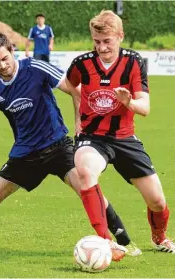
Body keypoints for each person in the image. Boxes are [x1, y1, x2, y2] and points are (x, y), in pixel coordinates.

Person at [0, 32, 140, 261]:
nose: (3, 65)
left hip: (58, 146)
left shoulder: (36, 67)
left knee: (88, 188)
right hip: (24, 155)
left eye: (5, 58)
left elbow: (75, 89)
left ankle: (125, 242)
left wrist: (79, 122)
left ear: (12, 50)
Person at [65, 10, 175, 254]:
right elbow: (70, 86)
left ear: (120, 36)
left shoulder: (133, 62)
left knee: (157, 201)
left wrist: (129, 103)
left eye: (107, 41)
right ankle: (106, 242)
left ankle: (159, 237)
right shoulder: (81, 64)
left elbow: (144, 108)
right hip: (92, 138)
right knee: (85, 171)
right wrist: (77, 117)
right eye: (96, 41)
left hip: (125, 138)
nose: (101, 47)